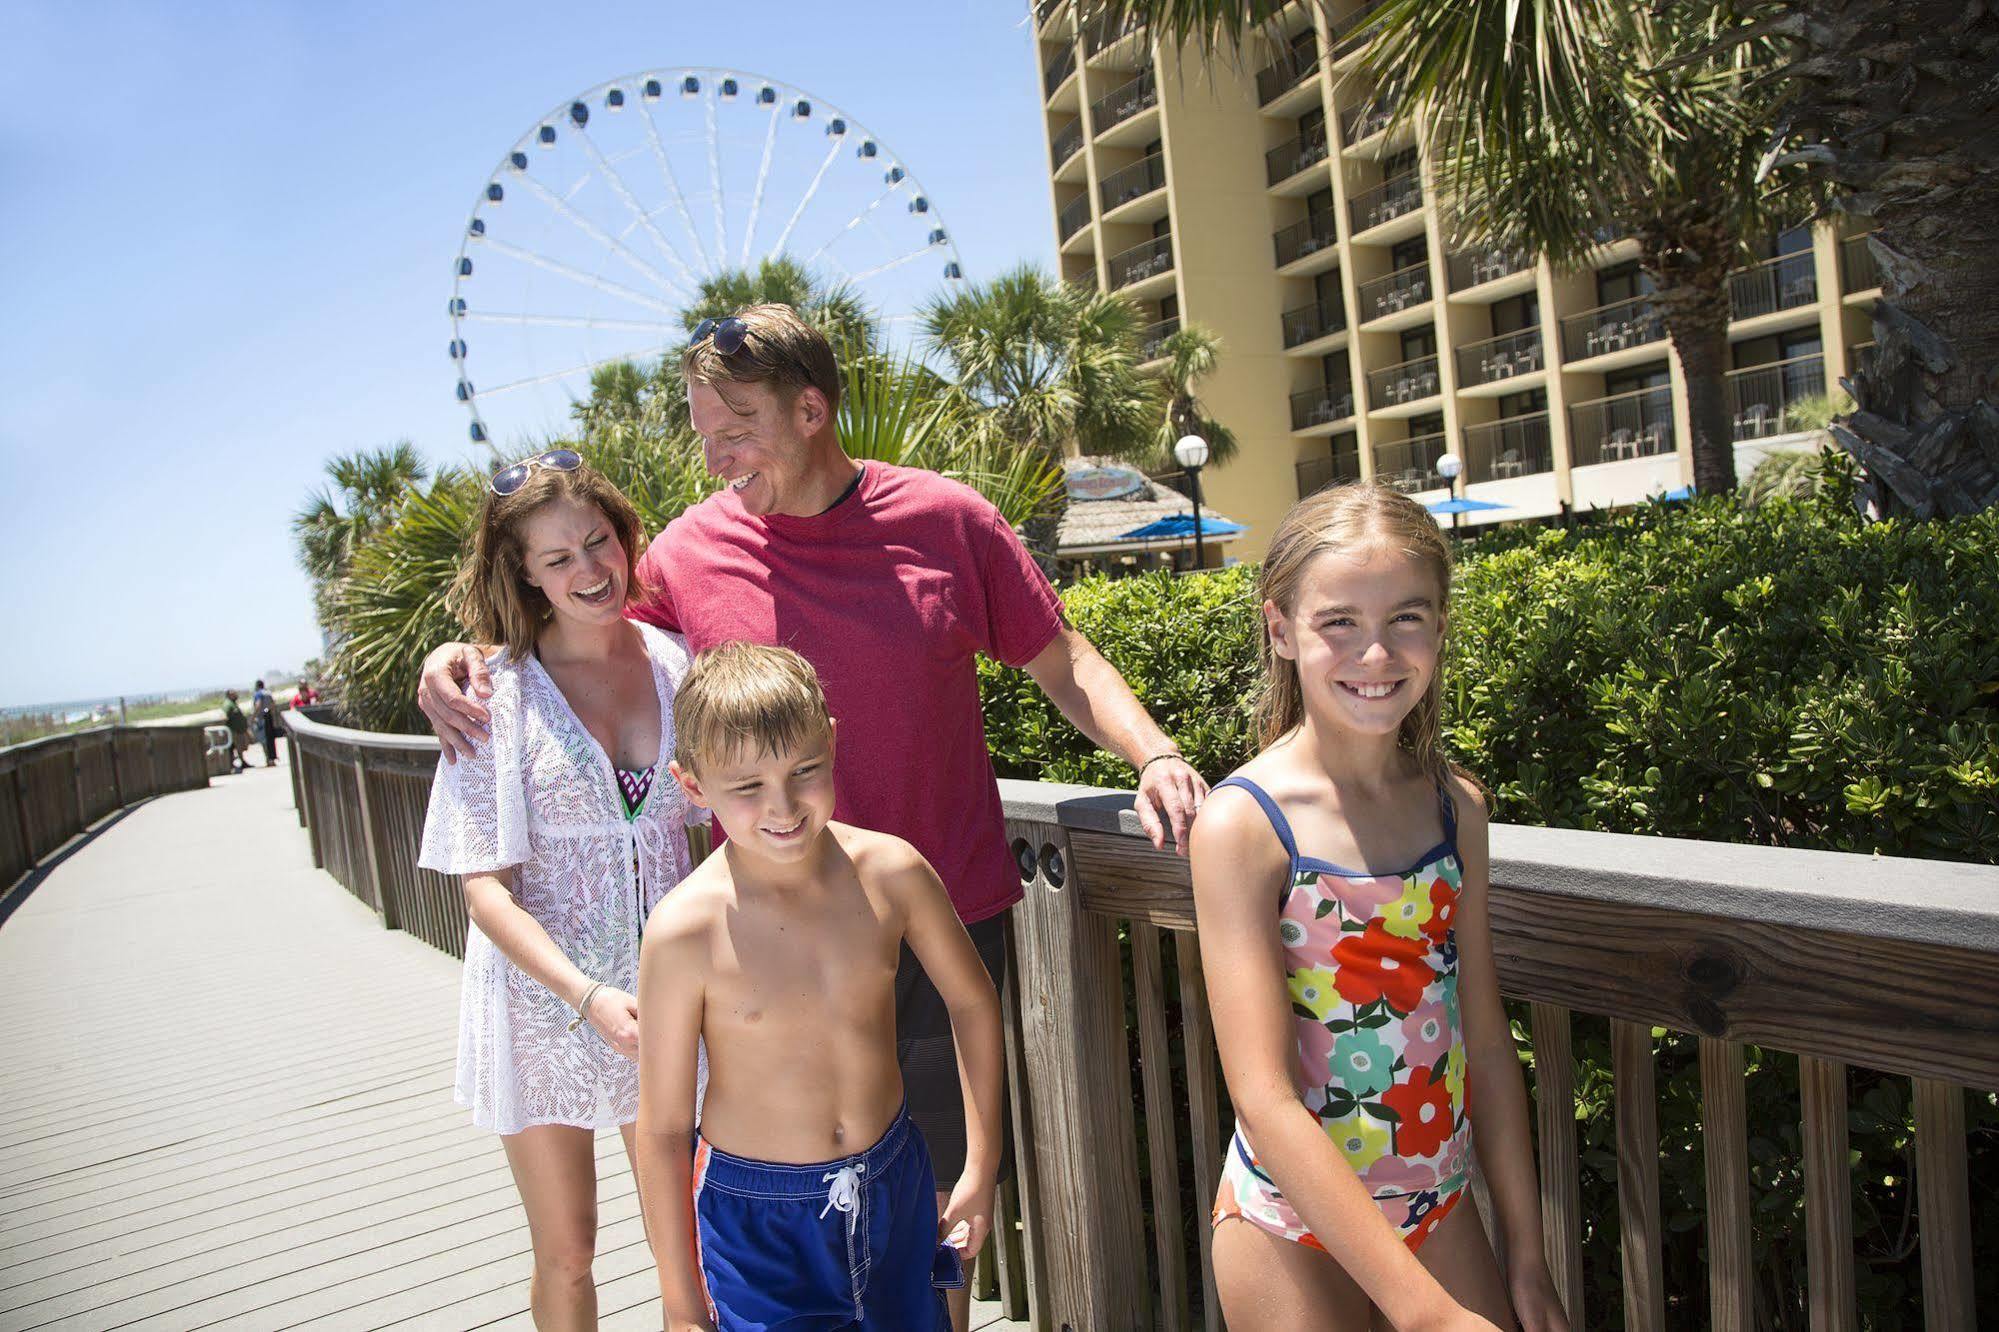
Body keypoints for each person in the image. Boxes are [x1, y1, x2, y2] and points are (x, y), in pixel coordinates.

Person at [418, 303, 1208, 1329]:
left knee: (934, 1222)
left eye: (735, 430)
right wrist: (466, 658)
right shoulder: (691, 553)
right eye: (704, 436)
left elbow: (1064, 664)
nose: (716, 459)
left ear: (811, 408)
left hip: (936, 916)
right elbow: (580, 629)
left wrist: (1154, 752)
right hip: (760, 939)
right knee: (771, 1216)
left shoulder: (947, 519)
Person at [1191, 484, 1567, 1331]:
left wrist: (1528, 1253)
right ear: (1281, 630)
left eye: (1406, 617)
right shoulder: (1243, 824)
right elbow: (1263, 1097)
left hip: (1437, 1203)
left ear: (1439, 627)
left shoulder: (1453, 807)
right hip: (1288, 1225)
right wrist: (1424, 1314)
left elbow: (1480, 1028)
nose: (1375, 653)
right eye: (1339, 623)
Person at [416, 448, 705, 1331]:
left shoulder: (680, 664)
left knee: (684, 1254)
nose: (588, 570)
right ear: (527, 576)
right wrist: (587, 997)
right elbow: (486, 893)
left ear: (624, 537)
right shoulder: (488, 696)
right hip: (543, 1007)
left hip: (662, 1000)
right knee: (568, 1255)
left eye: (596, 542)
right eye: (557, 558)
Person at [635, 642, 1003, 1331]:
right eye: (745, 787)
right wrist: (679, 1299)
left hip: (896, 1180)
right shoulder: (682, 930)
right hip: (759, 1221)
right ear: (692, 786)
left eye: (804, 770)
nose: (782, 805)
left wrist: (979, 1169)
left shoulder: (892, 872)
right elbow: (660, 1128)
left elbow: (972, 1001)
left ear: (831, 743)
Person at [250, 679, 280, 767]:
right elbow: (273, 704)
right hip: (269, 717)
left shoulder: (258, 694)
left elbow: (258, 705)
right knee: (270, 738)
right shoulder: (268, 693)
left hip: (262, 718)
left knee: (264, 739)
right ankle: (272, 759)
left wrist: (253, 717)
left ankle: (268, 759)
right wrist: (267, 711)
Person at [221, 689, 250, 773]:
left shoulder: (232, 703)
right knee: (235, 748)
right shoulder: (227, 704)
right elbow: (224, 716)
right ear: (229, 695)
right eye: (234, 694)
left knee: (240, 747)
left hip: (238, 730)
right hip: (233, 731)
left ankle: (242, 762)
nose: (236, 695)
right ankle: (232, 765)